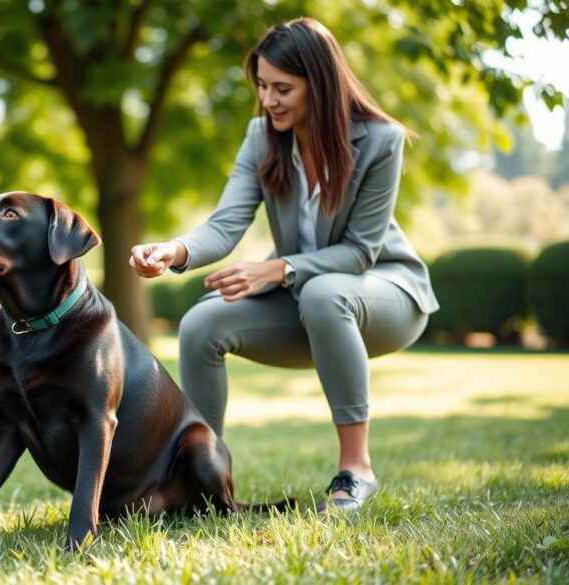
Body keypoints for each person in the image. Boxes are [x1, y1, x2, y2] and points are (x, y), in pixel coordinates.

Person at [129, 17, 439, 512]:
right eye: (262, 85)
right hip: (308, 301)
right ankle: (199, 482)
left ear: (320, 84)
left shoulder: (382, 140)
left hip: (387, 294)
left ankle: (356, 469)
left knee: (323, 291)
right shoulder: (262, 137)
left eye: (282, 88)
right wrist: (174, 251)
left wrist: (277, 269)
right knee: (201, 323)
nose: (268, 99)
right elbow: (225, 225)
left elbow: (360, 251)